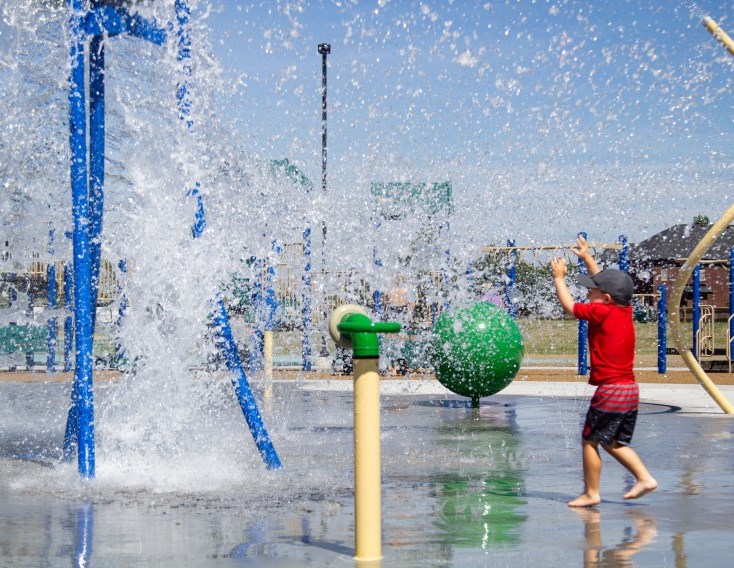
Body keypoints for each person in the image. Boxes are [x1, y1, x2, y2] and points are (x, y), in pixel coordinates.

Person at [550, 235, 657, 507]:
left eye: (591, 292)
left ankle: (592, 492)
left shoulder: (601, 313)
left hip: (610, 391)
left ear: (606, 299)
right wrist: (587, 258)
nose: (587, 294)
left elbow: (569, 307)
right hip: (629, 391)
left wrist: (559, 278)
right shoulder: (622, 309)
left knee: (590, 440)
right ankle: (644, 478)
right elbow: (603, 282)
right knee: (614, 443)